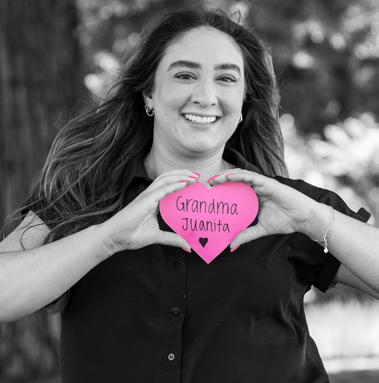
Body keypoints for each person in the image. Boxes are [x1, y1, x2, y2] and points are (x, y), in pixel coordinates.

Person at [1, 7, 378, 383]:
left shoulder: (293, 206)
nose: (205, 95)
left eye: (226, 78)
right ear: (149, 92)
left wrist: (315, 220)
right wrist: (106, 239)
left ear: (245, 99)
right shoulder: (83, 195)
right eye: (185, 75)